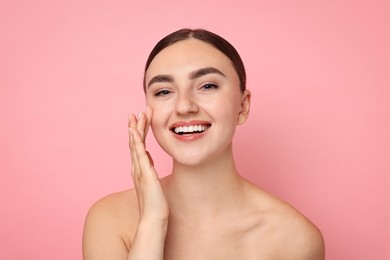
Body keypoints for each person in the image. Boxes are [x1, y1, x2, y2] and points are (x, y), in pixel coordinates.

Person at [82, 28, 325, 260]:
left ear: (243, 106)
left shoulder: (294, 239)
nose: (184, 106)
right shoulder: (110, 219)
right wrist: (153, 221)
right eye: (164, 91)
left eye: (207, 86)